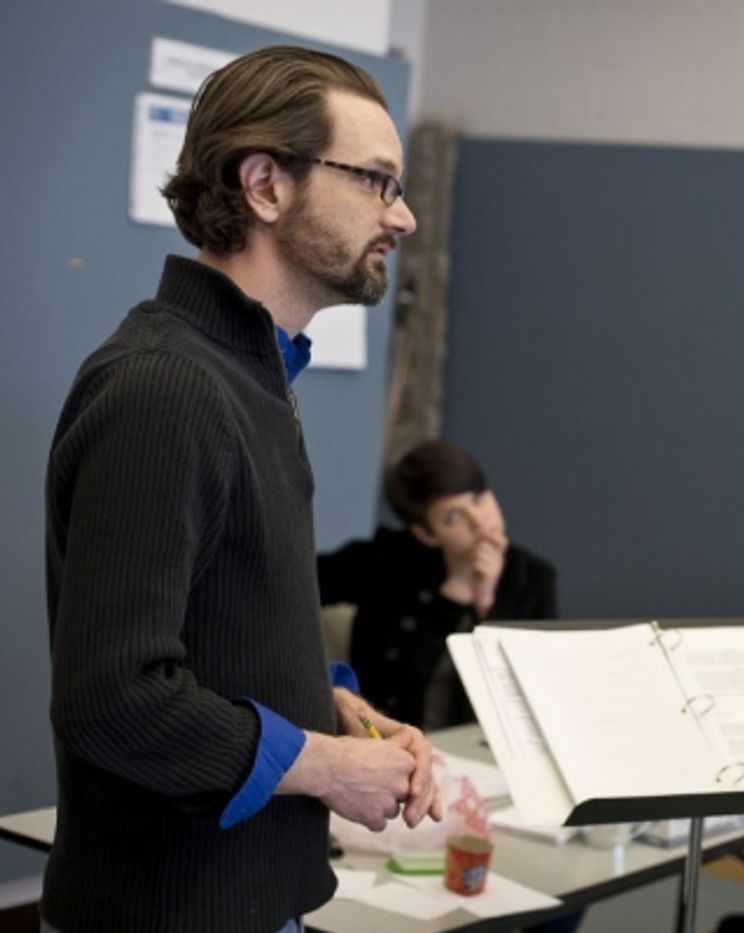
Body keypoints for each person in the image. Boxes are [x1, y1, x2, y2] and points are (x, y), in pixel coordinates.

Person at [44, 46, 441, 933]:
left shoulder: (249, 375)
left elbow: (218, 627)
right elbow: (118, 697)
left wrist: (333, 712)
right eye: (377, 182)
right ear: (265, 185)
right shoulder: (166, 388)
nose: (404, 217)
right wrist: (327, 767)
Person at [318, 439, 558, 728]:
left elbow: (528, 693)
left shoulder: (532, 579)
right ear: (426, 534)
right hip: (380, 735)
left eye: (479, 499)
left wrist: (487, 604)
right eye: (453, 517)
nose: (480, 523)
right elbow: (299, 586)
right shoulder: (388, 559)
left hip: (479, 745)